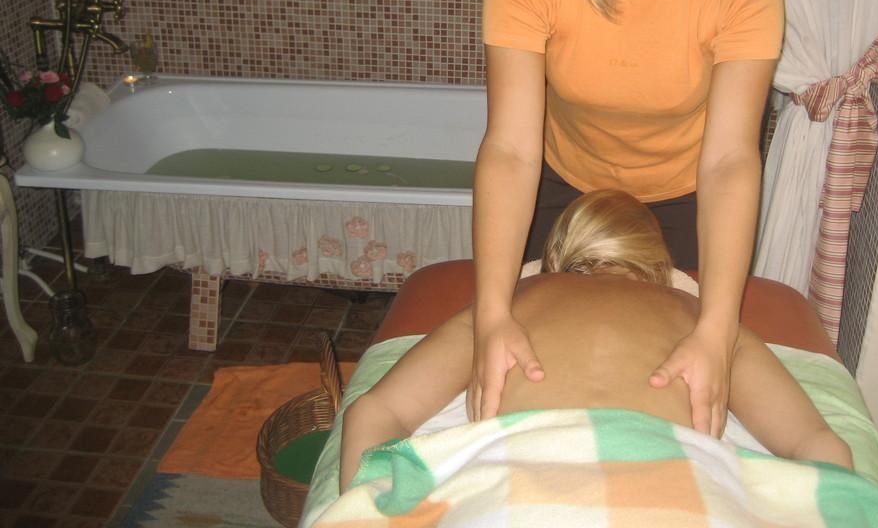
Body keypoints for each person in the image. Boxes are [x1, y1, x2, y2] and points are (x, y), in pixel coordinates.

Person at [470, 0, 784, 436]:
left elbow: (730, 159)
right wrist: (491, 316)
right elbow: (512, 148)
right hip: (562, 190)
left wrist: (717, 331)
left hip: (687, 197)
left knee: (672, 374)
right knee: (540, 360)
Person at [340, 190, 851, 491]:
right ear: (659, 267)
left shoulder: (508, 308)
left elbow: (374, 413)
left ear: (556, 258)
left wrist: (365, 508)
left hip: (520, 481)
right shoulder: (706, 325)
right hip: (667, 489)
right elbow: (816, 444)